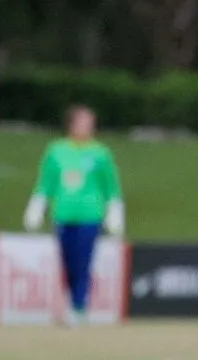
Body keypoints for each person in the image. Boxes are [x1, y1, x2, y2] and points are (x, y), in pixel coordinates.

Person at [24, 103, 126, 325]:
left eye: (90, 123)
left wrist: (115, 210)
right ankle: (71, 299)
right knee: (67, 262)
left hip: (90, 215)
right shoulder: (56, 150)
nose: (86, 127)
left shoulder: (100, 153)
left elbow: (111, 186)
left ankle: (79, 306)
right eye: (82, 122)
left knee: (83, 261)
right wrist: (37, 205)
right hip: (63, 213)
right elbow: (46, 182)